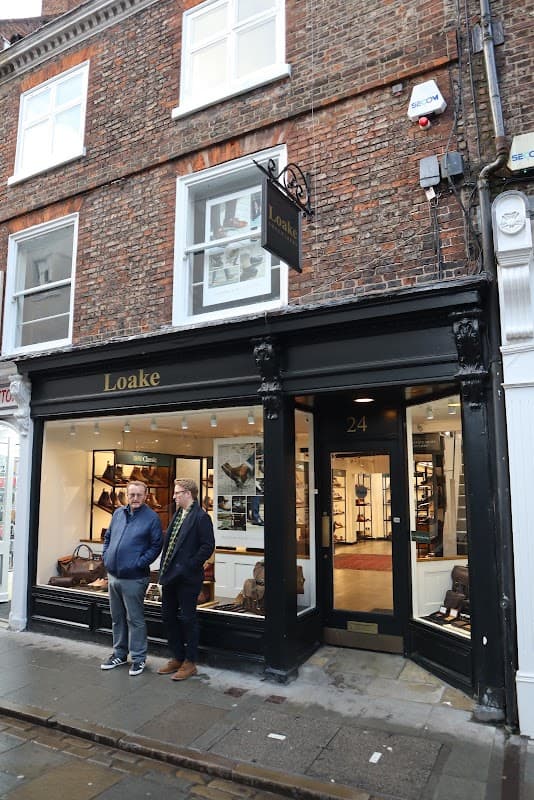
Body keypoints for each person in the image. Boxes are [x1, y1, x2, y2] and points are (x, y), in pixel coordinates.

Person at [101, 480, 163, 676]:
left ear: (145, 496)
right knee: (117, 618)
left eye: (138, 495)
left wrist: (138, 563)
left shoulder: (151, 518)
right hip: (114, 575)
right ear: (127, 495)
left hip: (134, 577)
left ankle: (138, 658)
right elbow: (108, 537)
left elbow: (156, 546)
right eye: (131, 494)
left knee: (134, 618)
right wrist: (106, 556)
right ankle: (119, 653)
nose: (134, 498)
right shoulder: (118, 513)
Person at [157, 478, 215, 681]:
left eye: (177, 493)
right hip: (169, 576)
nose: (174, 496)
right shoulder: (178, 514)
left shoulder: (201, 517)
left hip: (187, 578)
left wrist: (189, 565)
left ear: (188, 494)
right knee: (168, 616)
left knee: (188, 619)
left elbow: (207, 547)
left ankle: (190, 662)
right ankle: (177, 656)